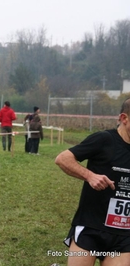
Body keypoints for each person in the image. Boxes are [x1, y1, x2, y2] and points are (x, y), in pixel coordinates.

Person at [55, 98, 130, 266]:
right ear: (124, 118)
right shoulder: (104, 140)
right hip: (91, 226)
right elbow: (63, 159)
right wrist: (90, 176)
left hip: (125, 234)